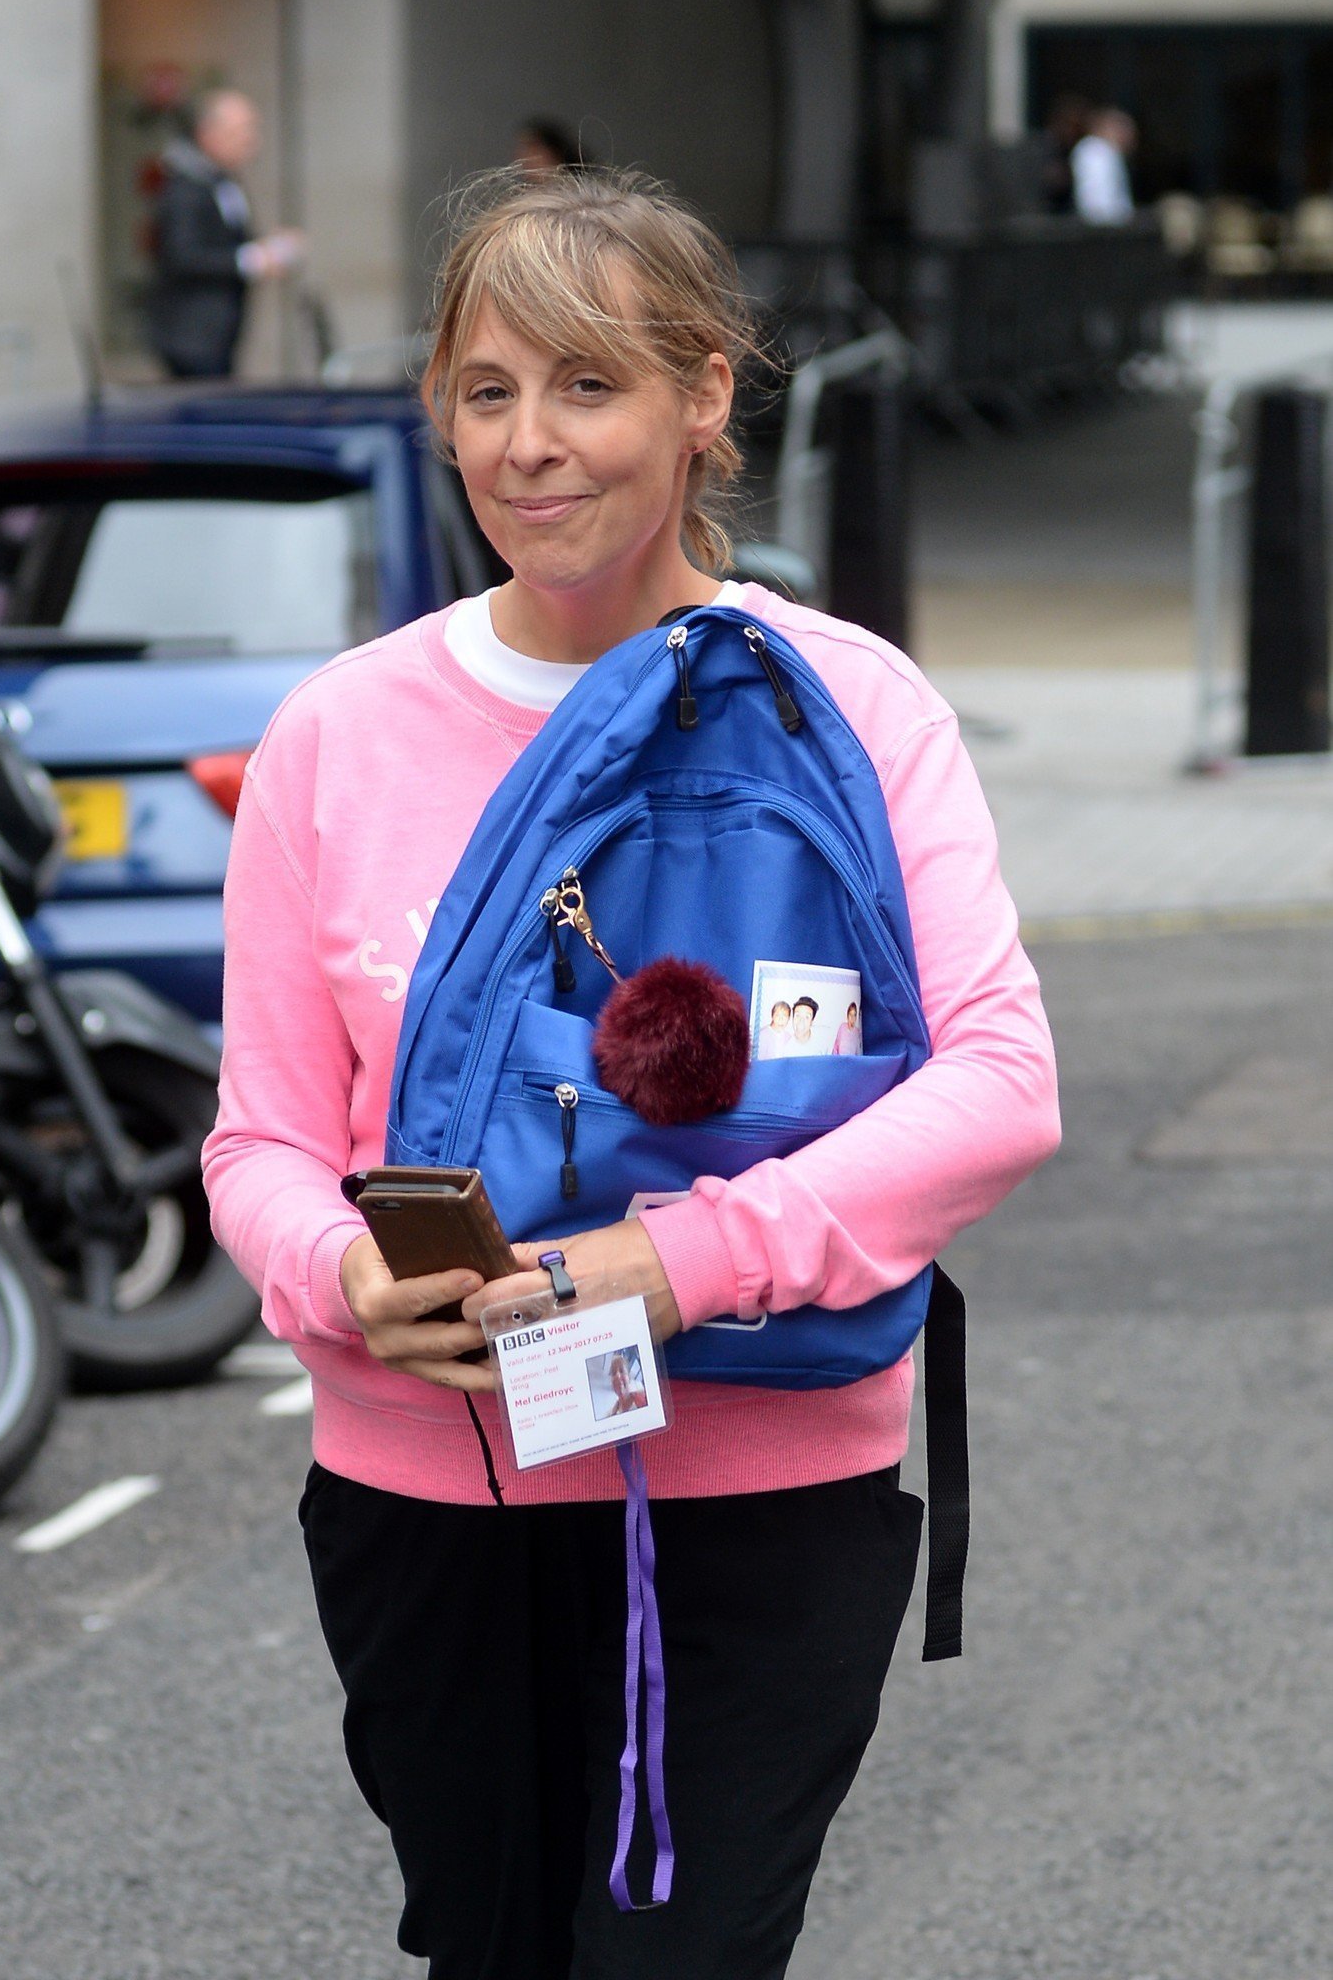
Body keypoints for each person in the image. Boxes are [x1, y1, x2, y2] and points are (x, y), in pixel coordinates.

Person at [203, 166, 1061, 1979]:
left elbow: (997, 1080)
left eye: (586, 385)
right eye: (486, 391)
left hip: (765, 1482)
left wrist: (680, 1259)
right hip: (434, 1493)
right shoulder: (334, 739)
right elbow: (263, 1138)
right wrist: (345, 1274)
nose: (529, 445)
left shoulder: (853, 709)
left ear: (704, 400)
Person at [147, 89, 305, 379]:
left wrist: (266, 248)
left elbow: (228, 238)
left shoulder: (219, 182)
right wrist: (252, 259)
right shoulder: (187, 187)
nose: (250, 140)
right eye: (240, 131)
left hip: (218, 331)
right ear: (209, 134)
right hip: (192, 335)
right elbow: (182, 255)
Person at [1072, 108, 1138, 226]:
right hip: (1102, 230)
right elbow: (1099, 203)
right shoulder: (1096, 151)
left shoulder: (1108, 152)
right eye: (1124, 129)